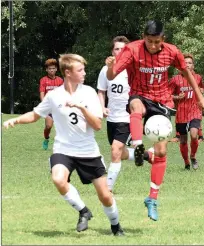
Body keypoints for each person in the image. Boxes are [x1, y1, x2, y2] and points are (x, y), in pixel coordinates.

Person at [3, 54, 124, 235]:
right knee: (58, 179)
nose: (84, 73)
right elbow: (36, 115)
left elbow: (98, 125)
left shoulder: (89, 93)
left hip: (88, 151)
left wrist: (81, 107)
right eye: (80, 70)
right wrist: (16, 120)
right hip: (63, 149)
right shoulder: (54, 95)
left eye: (83, 69)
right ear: (68, 72)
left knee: (105, 196)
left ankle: (115, 226)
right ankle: (84, 211)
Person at [106, 20, 204, 221]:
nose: (153, 45)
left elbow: (186, 72)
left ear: (163, 39)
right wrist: (110, 67)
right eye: (149, 41)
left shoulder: (171, 51)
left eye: (156, 41)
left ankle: (152, 198)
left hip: (162, 100)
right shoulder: (132, 50)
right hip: (140, 94)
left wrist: (199, 97)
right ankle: (137, 145)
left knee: (161, 152)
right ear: (143, 37)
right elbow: (111, 76)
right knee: (136, 107)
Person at [97, 36, 154, 192]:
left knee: (115, 150)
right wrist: (102, 107)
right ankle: (148, 156)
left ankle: (107, 188)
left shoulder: (135, 69)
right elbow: (101, 91)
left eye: (123, 49)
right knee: (119, 153)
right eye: (116, 49)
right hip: (112, 118)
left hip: (127, 117)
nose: (120, 51)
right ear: (112, 51)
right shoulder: (106, 70)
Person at [169, 53, 204, 170]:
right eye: (185, 63)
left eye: (190, 63)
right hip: (181, 113)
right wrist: (176, 97)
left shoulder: (198, 77)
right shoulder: (175, 80)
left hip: (195, 110)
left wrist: (201, 91)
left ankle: (193, 156)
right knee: (183, 140)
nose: (188, 65)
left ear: (193, 65)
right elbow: (167, 94)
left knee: (194, 135)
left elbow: (202, 87)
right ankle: (186, 162)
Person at [39, 58, 64, 150]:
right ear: (46, 70)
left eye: (53, 68)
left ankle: (62, 145)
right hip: (49, 107)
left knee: (61, 127)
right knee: (48, 126)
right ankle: (46, 139)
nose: (51, 70)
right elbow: (42, 93)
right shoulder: (43, 80)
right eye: (49, 68)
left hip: (58, 107)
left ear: (56, 69)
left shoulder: (60, 80)